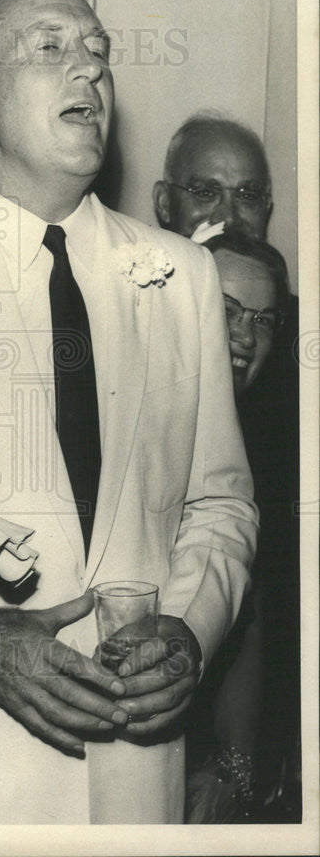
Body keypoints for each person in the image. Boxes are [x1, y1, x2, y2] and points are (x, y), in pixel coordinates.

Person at [0, 0, 258, 824]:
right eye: (50, 44)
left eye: (97, 49)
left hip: (143, 770)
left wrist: (189, 631)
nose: (90, 67)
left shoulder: (182, 275)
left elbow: (221, 501)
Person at [153, 115, 301, 818]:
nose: (224, 214)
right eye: (205, 190)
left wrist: (237, 770)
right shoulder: (120, 326)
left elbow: (255, 599)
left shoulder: (288, 374)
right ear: (164, 204)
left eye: (247, 195)